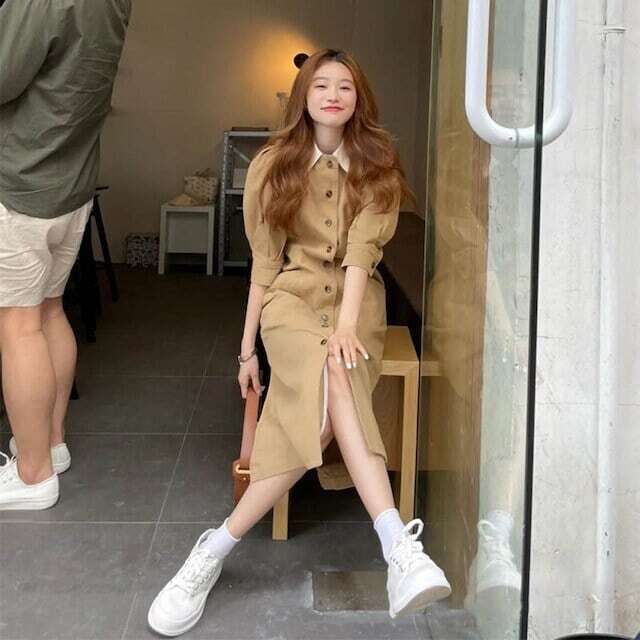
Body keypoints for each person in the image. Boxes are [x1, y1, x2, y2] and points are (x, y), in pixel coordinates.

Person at [148, 48, 451, 637]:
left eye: (345, 86)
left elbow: (362, 253)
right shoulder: (272, 164)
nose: (333, 95)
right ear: (303, 97)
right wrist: (246, 351)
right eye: (321, 85)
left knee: (324, 404)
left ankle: (213, 548)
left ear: (359, 98)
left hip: (357, 304)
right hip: (290, 303)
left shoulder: (378, 162)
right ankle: (398, 547)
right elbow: (264, 265)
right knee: (332, 381)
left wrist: (346, 325)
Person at [0, 0, 131, 509]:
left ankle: (32, 475)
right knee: (50, 312)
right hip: (71, 183)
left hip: (21, 182)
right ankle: (50, 446)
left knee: (19, 325)